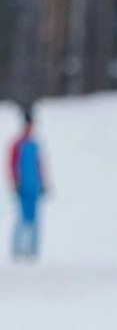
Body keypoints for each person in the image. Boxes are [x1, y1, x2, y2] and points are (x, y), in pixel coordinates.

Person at [9, 108, 47, 262]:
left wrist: (42, 183)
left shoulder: (34, 144)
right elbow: (12, 164)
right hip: (23, 186)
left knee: (35, 219)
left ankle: (32, 250)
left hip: (34, 186)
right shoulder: (17, 144)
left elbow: (39, 165)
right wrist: (15, 182)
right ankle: (18, 249)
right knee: (22, 218)